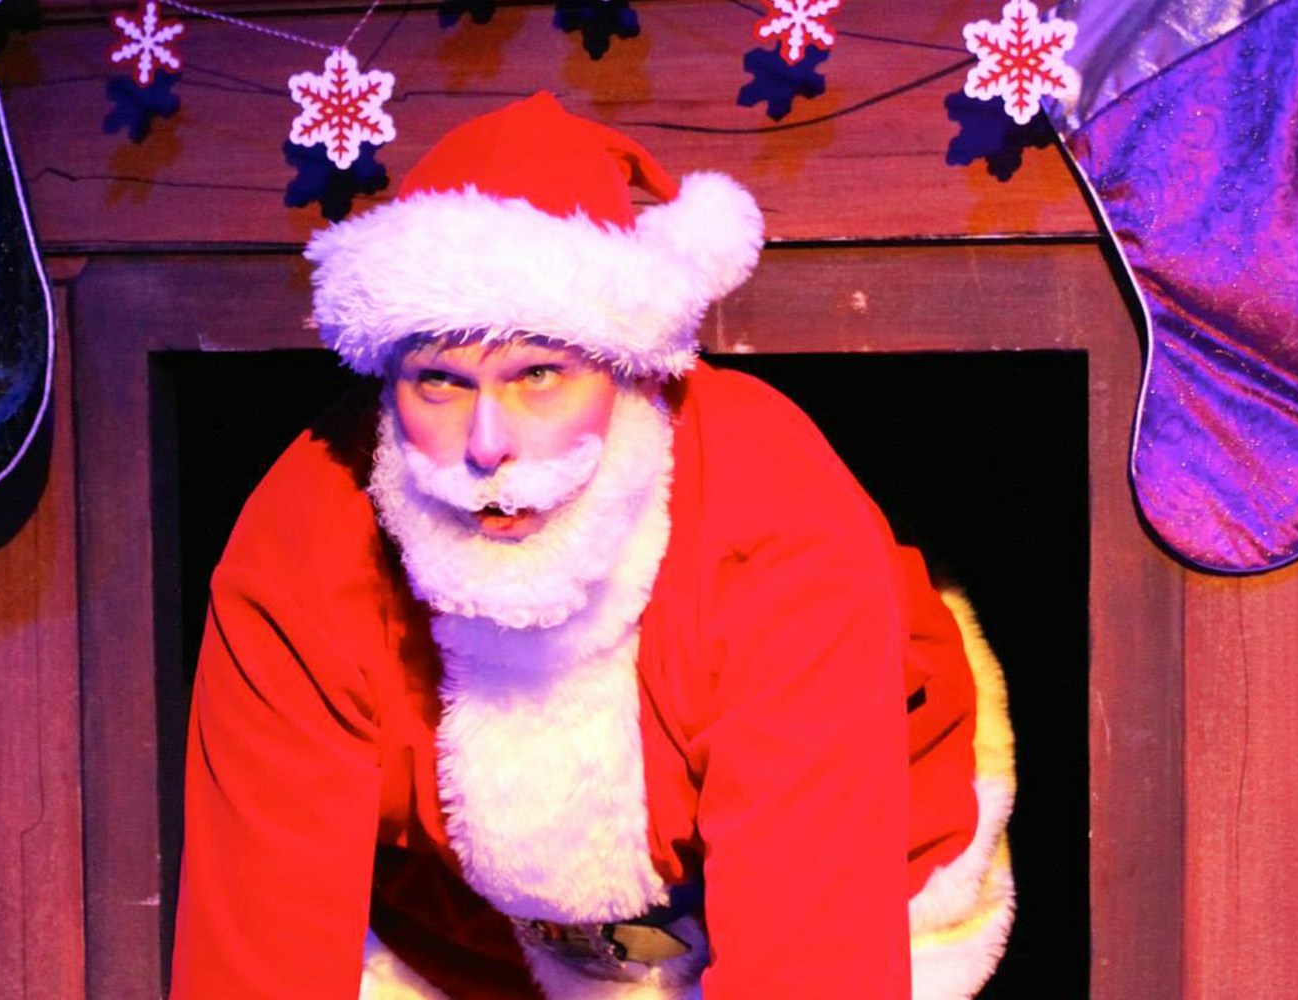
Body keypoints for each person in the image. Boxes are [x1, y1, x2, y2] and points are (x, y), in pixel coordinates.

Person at [169, 92, 1014, 1000]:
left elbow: (805, 952)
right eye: (440, 384)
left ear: (627, 368)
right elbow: (258, 937)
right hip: (482, 934)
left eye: (539, 375)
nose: (486, 445)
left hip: (848, 887)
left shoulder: (773, 512)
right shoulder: (307, 530)